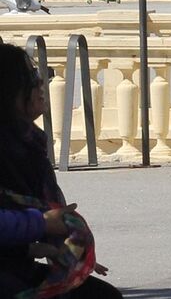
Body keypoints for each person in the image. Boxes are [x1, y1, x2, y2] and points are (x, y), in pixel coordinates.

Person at [0, 43, 122, 298]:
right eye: (32, 78)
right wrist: (41, 224)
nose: (41, 84)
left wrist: (67, 255)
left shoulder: (27, 143)